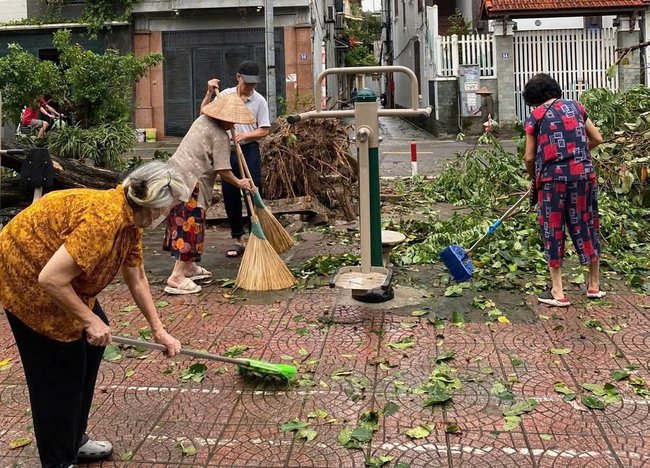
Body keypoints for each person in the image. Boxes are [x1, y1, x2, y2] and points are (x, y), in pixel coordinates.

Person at [0, 161, 188, 468]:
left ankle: (74, 438)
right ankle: (59, 460)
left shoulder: (131, 219)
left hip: (56, 276)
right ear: (155, 207)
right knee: (59, 374)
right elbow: (50, 279)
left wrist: (158, 329)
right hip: (26, 278)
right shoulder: (105, 220)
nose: (170, 214)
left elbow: (137, 277)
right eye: (171, 207)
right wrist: (89, 319)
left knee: (90, 346)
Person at [523, 73, 604, 307]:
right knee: (588, 224)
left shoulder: (536, 115)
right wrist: (577, 151)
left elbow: (529, 157)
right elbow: (597, 138)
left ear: (534, 98)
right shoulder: (576, 106)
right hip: (583, 176)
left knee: (554, 228)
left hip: (553, 180)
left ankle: (558, 292)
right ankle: (594, 286)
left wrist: (534, 178)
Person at [163, 93, 256, 294]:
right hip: (191, 184)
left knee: (187, 224)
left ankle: (189, 267)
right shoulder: (220, 136)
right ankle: (177, 276)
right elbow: (223, 170)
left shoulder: (201, 120)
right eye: (232, 119)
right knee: (188, 227)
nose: (234, 124)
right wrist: (240, 182)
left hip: (175, 177)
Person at [200, 60, 271, 258]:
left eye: (254, 83)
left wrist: (244, 136)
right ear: (238, 77)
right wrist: (208, 92)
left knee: (252, 191)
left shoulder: (259, 101)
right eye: (247, 82)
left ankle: (256, 238)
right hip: (227, 151)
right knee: (230, 194)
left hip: (249, 151)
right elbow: (204, 114)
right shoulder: (224, 96)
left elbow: (264, 129)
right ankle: (237, 239)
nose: (250, 87)